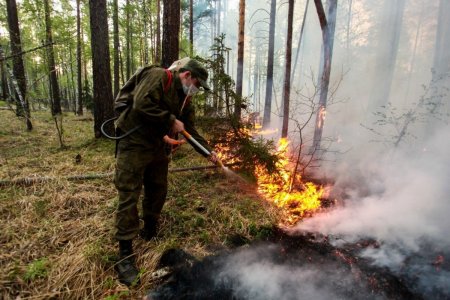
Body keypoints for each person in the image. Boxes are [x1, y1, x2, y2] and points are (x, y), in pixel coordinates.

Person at [113, 58, 218, 286]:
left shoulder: (185, 99)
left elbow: (189, 127)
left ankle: (150, 229)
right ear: (187, 75)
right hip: (134, 141)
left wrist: (208, 152)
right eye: (197, 84)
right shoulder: (160, 76)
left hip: (157, 145)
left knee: (158, 187)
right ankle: (125, 254)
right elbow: (142, 103)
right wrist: (170, 120)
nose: (196, 90)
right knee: (129, 193)